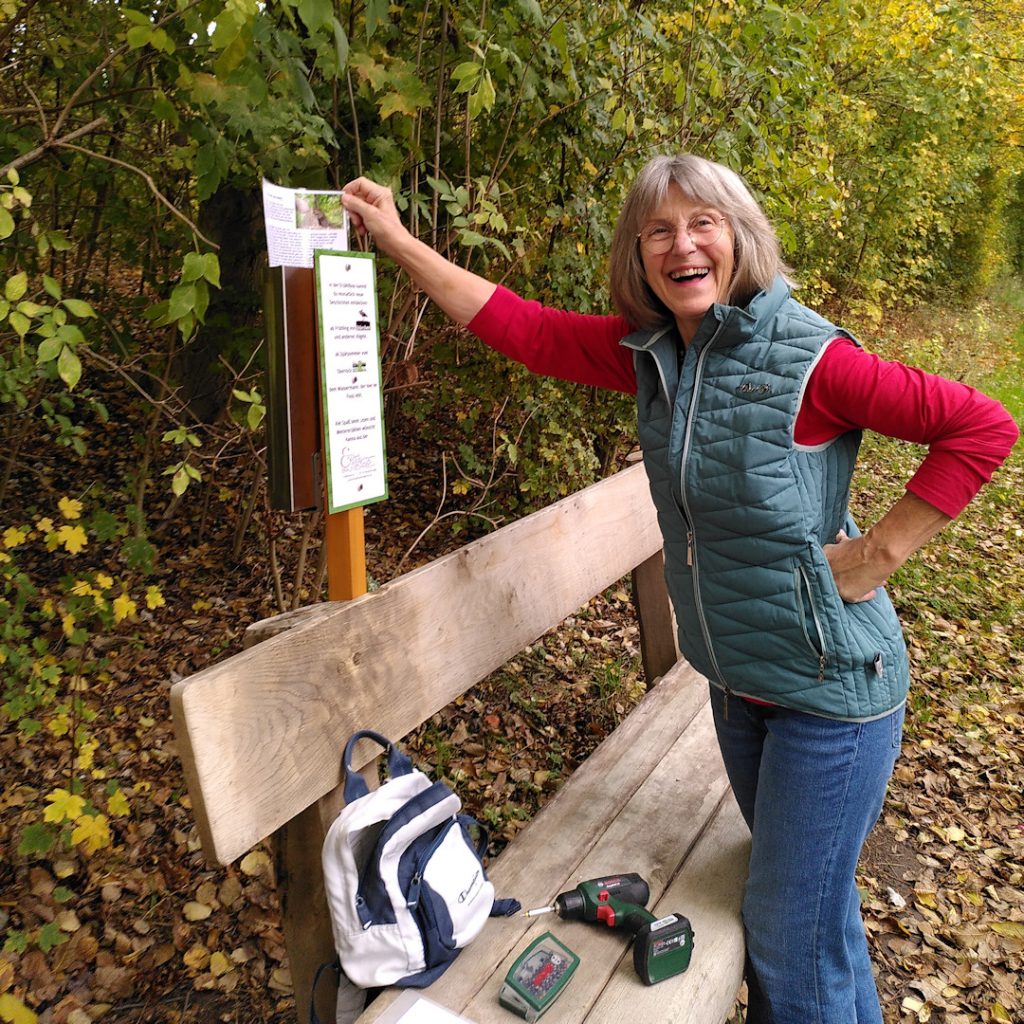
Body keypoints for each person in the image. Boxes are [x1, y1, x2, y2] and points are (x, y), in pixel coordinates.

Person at [340, 154, 1019, 1023]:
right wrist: (397, 242)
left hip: (831, 696)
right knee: (815, 916)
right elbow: (522, 327)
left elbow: (979, 425)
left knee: (781, 932)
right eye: (658, 229)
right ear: (638, 254)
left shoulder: (811, 360)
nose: (682, 244)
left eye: (704, 222)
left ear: (739, 238)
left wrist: (882, 550)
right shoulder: (656, 355)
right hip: (736, 688)